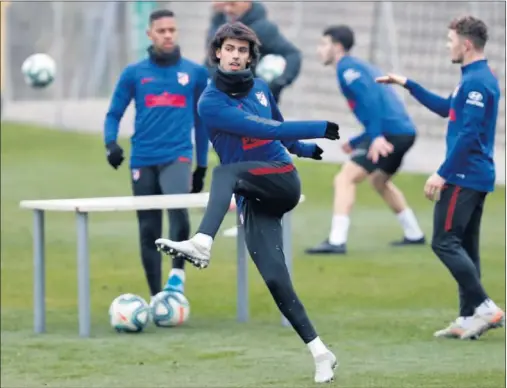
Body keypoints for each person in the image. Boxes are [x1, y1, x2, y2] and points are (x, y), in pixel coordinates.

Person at [156, 22, 340, 383]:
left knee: (224, 174)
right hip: (252, 194)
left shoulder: (260, 87)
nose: (236, 55)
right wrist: (317, 126)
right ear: (218, 53)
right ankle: (321, 352)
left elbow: (278, 126)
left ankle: (202, 243)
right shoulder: (210, 102)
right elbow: (263, 129)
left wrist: (304, 148)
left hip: (281, 179)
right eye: (230, 49)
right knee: (275, 278)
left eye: (243, 50)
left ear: (249, 56)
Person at [376, 15, 504, 340]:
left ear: (466, 44)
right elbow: (448, 109)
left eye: (450, 41)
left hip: (464, 175)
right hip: (475, 175)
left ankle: (485, 307)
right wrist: (407, 83)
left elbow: (470, 133)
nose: (448, 46)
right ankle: (467, 317)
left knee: (444, 242)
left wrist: (442, 173)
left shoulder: (477, 81)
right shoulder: (474, 77)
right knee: (465, 248)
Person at [103, 9, 209, 302]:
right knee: (148, 227)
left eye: (172, 30)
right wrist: (111, 144)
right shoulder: (134, 73)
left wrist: (201, 165)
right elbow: (113, 113)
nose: (167, 35)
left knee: (178, 212)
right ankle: (157, 296)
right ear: (150, 34)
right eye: (161, 31)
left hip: (177, 156)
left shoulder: (195, 74)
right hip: (142, 160)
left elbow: (202, 123)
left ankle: (177, 277)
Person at [306, 25, 426, 255]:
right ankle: (414, 234)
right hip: (404, 132)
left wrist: (377, 137)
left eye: (323, 44)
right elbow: (380, 104)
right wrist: (361, 138)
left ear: (337, 47)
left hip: (390, 134)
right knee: (378, 181)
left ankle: (336, 241)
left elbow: (370, 100)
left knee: (345, 178)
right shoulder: (358, 67)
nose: (319, 50)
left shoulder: (347, 69)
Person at [204, 1, 302, 103]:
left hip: (251, 103)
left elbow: (292, 55)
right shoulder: (218, 24)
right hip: (220, 99)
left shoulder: (263, 28)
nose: (228, 9)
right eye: (226, 5)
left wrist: (276, 84)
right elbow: (210, 61)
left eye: (232, 4)